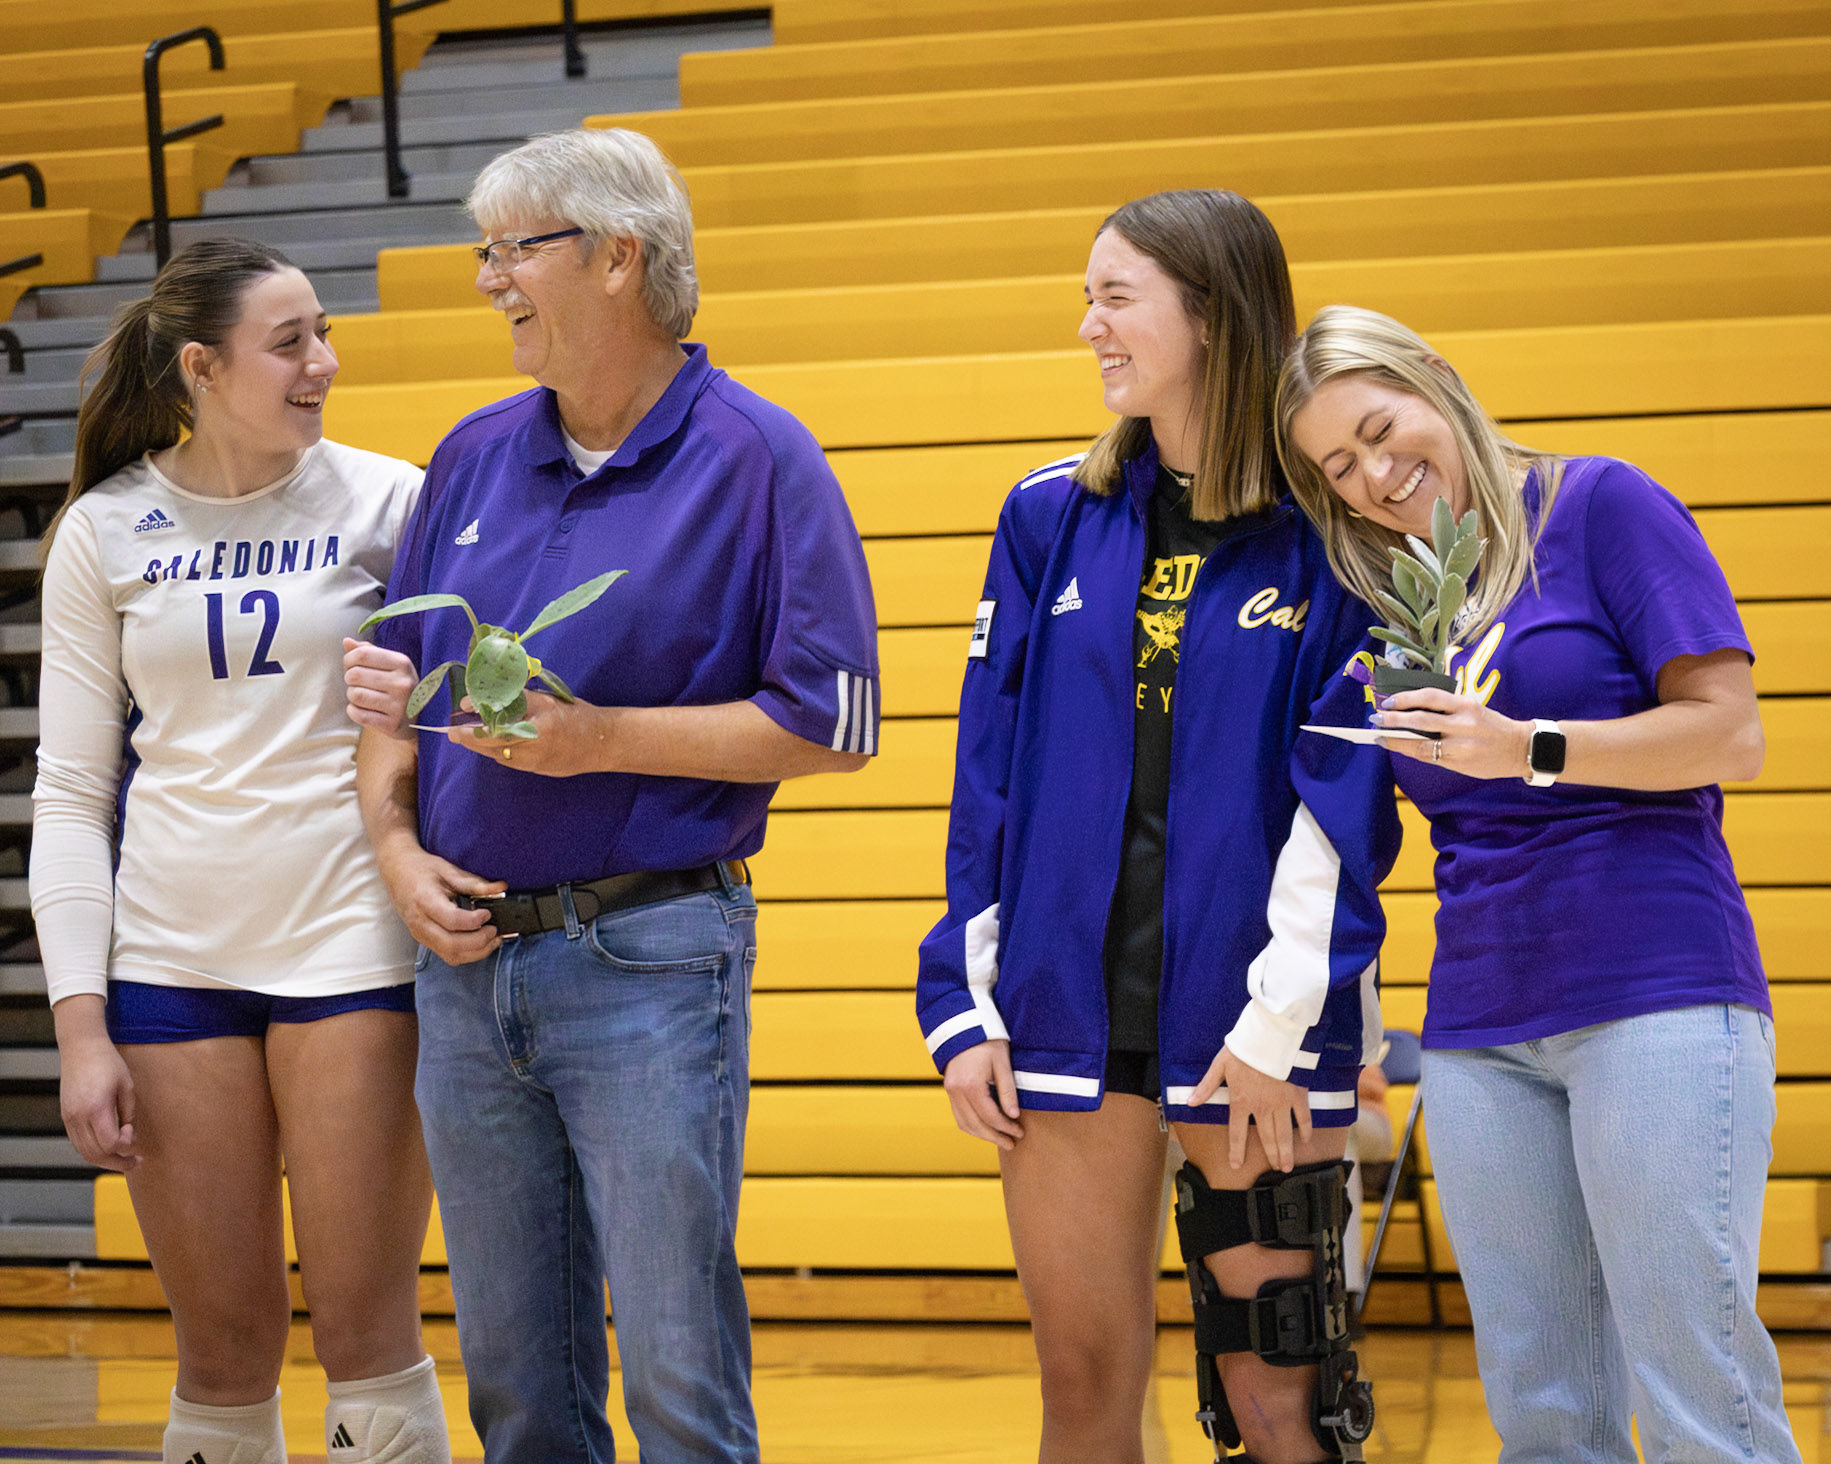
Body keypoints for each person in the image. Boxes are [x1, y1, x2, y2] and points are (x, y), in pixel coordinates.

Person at [345, 128, 879, 1464]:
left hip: (650, 957)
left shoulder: (760, 457)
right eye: (484, 252)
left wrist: (604, 741)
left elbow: (835, 725)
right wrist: (395, 849)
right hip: (466, 969)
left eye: (512, 250)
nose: (489, 280)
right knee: (519, 1389)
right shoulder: (470, 455)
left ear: (618, 257)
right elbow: (398, 700)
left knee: (677, 1383)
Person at [915, 191, 1401, 1464]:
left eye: (1115, 298)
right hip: (1064, 1009)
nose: (1089, 327)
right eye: (1088, 298)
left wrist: (1282, 1019)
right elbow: (986, 774)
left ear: (1213, 315)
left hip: (1256, 1024)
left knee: (1279, 1403)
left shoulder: (1335, 532)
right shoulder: (1046, 515)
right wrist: (965, 998)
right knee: (1081, 1387)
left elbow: (1344, 799)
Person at [1277, 303, 1801, 1463]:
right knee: (1541, 1411)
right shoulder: (1383, 597)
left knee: (1698, 1398)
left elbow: (1731, 737)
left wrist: (1529, 747)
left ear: (1434, 378)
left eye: (1381, 430)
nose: (1374, 475)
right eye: (1338, 467)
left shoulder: (1598, 505)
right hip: (1480, 1030)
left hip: (1656, 997)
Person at [31, 239, 449, 1464]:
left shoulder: (394, 501)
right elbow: (71, 793)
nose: (323, 362)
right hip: (171, 964)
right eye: (290, 342)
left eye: (325, 332)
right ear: (202, 368)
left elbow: (451, 724)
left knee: (368, 1337)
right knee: (218, 1356)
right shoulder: (105, 530)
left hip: (351, 949)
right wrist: (80, 1027)